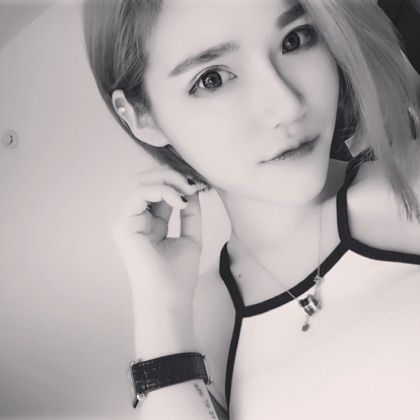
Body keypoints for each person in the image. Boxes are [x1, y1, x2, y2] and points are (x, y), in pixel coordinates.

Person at [83, 0, 420, 419]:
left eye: (295, 39)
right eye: (211, 79)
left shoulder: (409, 187)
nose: (287, 105)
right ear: (141, 116)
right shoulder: (197, 325)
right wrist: (161, 307)